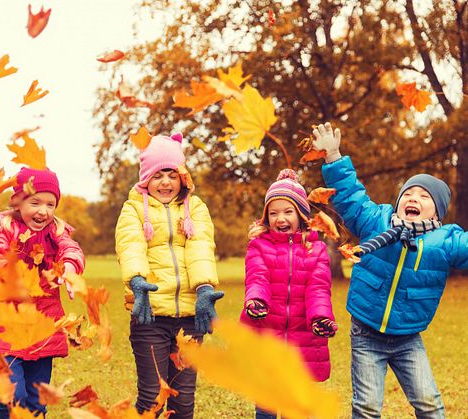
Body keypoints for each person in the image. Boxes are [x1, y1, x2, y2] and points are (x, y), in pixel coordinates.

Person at [313, 122, 468, 418]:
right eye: (409, 194)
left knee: (429, 404)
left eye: (425, 197)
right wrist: (333, 157)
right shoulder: (377, 221)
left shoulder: (446, 240)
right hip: (366, 331)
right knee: (367, 407)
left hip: (408, 337)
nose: (414, 199)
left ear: (437, 211)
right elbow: (351, 198)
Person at [115, 132, 223, 418]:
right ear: (146, 179)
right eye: (158, 175)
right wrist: (137, 282)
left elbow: (201, 247)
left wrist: (203, 290)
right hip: (149, 315)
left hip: (190, 319)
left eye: (172, 175)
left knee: (183, 400)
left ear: (183, 178)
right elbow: (130, 246)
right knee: (152, 397)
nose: (166, 182)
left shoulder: (195, 208)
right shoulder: (134, 209)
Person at [0, 167, 85, 419]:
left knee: (36, 398)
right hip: (6, 325)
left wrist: (69, 267)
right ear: (18, 202)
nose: (43, 211)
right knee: (15, 395)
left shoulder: (56, 231)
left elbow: (71, 249)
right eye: (35, 202)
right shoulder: (2, 226)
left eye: (50, 204)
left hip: (42, 325)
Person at [241, 168, 337, 419]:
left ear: (301, 215)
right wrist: (256, 300)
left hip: (301, 339)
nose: (280, 218)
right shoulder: (258, 246)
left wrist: (320, 318)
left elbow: (318, 289)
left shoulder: (315, 250)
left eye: (287, 211)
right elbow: (257, 276)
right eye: (273, 213)